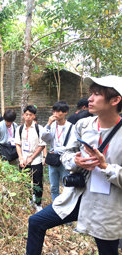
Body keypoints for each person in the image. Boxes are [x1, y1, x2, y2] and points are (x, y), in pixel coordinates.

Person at [26, 75, 122, 255]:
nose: (89, 99)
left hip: (107, 205)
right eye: (90, 93)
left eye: (97, 94)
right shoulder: (83, 125)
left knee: (107, 250)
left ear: (115, 100)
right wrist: (75, 160)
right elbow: (67, 153)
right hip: (78, 196)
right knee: (36, 222)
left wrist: (106, 167)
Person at [15, 105, 46, 212]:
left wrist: (32, 157)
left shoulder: (39, 129)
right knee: (25, 182)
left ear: (34, 116)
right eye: (26, 114)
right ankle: (27, 201)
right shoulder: (19, 129)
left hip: (36, 160)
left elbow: (42, 145)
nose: (28, 117)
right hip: (24, 160)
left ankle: (38, 203)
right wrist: (20, 158)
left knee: (37, 182)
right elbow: (18, 144)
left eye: (30, 115)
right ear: (23, 115)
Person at [41, 101, 73, 201]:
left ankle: (66, 206)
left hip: (65, 159)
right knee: (54, 186)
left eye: (58, 111)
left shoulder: (71, 127)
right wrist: (48, 124)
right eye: (54, 111)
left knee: (66, 185)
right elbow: (44, 138)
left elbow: (71, 146)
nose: (55, 114)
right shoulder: (52, 126)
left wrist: (56, 150)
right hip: (53, 160)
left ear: (65, 112)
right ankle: (55, 206)